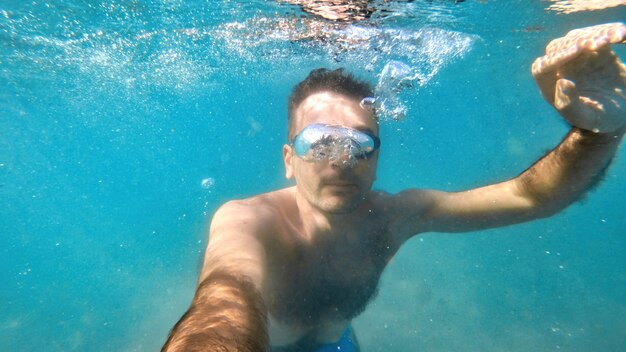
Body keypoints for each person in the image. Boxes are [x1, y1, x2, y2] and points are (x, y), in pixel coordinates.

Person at [162, 23, 626, 351]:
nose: (342, 160)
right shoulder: (248, 221)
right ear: (289, 159)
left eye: (359, 144)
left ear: (377, 160)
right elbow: (223, 302)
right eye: (321, 142)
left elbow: (532, 196)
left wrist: (597, 133)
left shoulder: (394, 216)